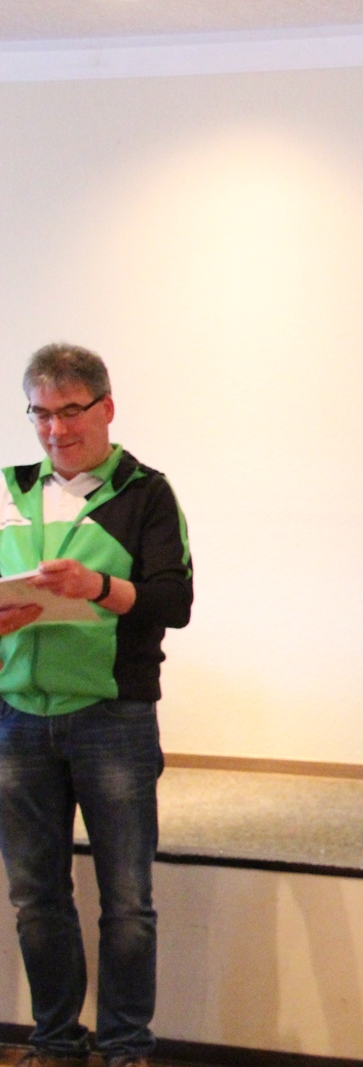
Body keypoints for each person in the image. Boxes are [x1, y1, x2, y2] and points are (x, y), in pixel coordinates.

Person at [0, 343, 193, 1067]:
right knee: (35, 898)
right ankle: (55, 1041)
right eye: (40, 414)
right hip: (16, 717)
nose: (55, 429)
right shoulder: (8, 490)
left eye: (70, 411)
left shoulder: (147, 492)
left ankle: (125, 1046)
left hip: (113, 718)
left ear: (106, 408)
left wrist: (98, 589)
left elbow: (174, 602)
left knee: (127, 899)